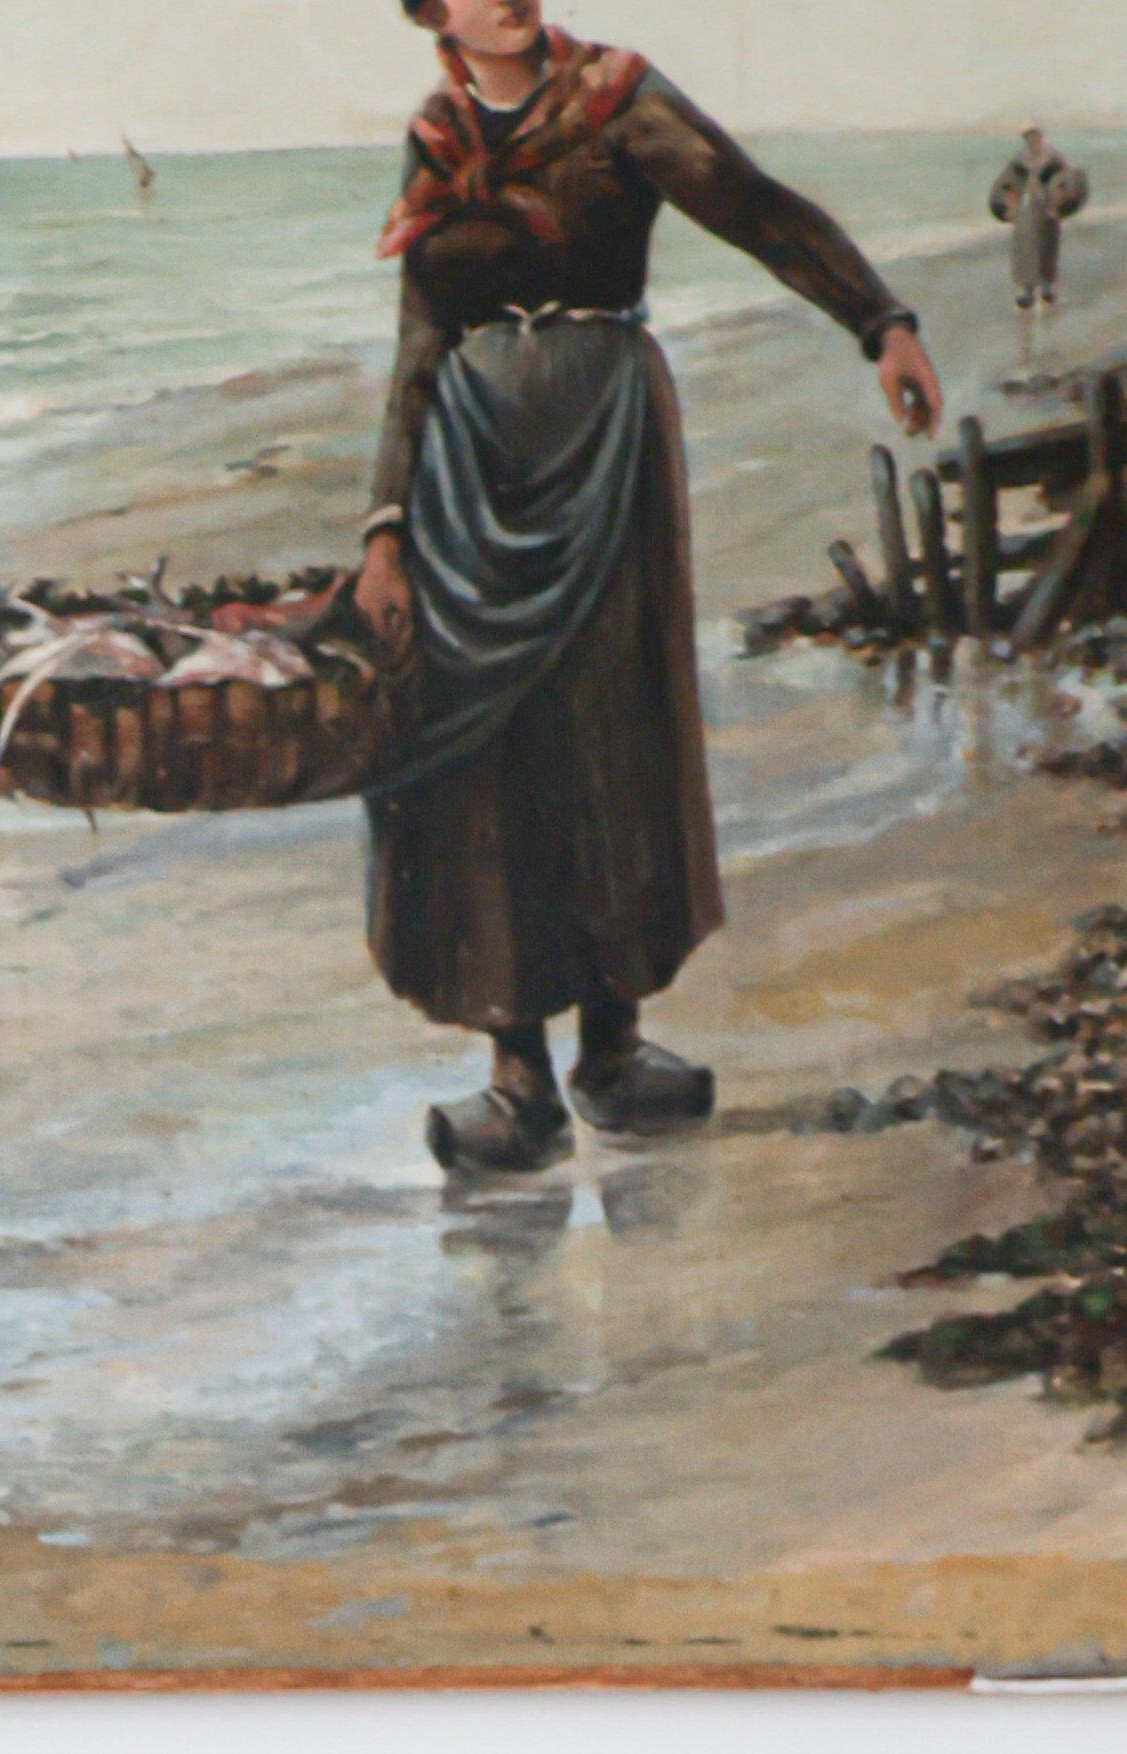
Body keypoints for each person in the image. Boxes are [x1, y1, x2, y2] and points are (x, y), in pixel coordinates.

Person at [354, 1, 943, 1174]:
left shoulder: (618, 99)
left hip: (607, 442)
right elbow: (420, 337)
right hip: (467, 470)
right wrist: (382, 527)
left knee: (613, 732)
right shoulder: (435, 136)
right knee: (475, 745)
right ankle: (515, 1079)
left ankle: (613, 1054)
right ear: (428, 9)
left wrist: (880, 321)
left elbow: (756, 207)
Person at [991, 129, 1089, 349]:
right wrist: (1007, 205)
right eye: (1028, 136)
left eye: (1034, 136)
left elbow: (1067, 182)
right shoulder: (1019, 159)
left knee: (1047, 249)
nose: (1031, 139)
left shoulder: (1052, 157)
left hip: (1047, 209)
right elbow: (1007, 184)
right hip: (1025, 211)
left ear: (1040, 137)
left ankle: (1047, 287)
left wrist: (1060, 204)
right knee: (1025, 251)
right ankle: (1027, 291)